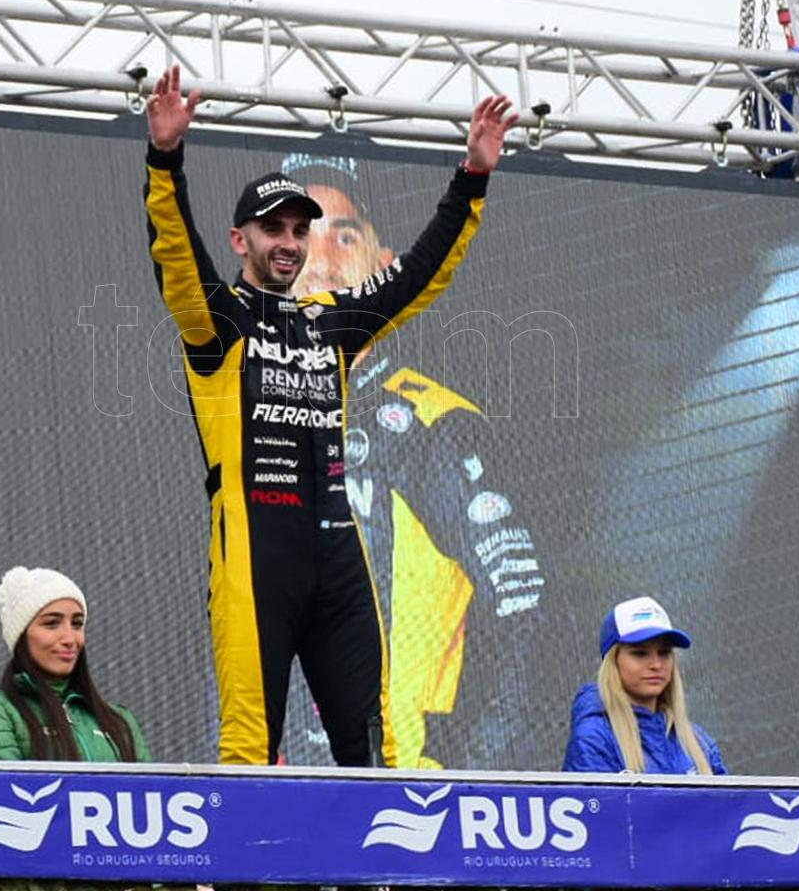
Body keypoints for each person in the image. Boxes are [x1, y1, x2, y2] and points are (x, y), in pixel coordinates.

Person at [141, 63, 517, 767]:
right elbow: (176, 255)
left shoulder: (331, 322)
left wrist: (472, 177)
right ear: (240, 240)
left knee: (372, 748)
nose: (289, 242)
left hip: (339, 561)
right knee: (250, 747)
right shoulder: (217, 320)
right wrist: (166, 160)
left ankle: (373, 843)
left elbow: (419, 274)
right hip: (255, 558)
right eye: (272, 229)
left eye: (298, 230)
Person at [285, 168, 549, 770]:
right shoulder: (244, 423)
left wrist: (479, 775)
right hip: (280, 789)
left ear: (384, 264)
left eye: (343, 237)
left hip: (402, 790)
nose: (321, 259)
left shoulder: (431, 422)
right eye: (302, 238)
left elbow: (522, 601)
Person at [0, 567, 148, 761]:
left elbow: (147, 780)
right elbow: (0, 781)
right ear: (21, 636)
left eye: (77, 624)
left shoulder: (120, 721)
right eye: (51, 624)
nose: (70, 639)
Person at [562, 595, 726, 775]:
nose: (656, 664)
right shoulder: (595, 738)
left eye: (664, 653)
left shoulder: (698, 742)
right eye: (640, 653)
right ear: (613, 662)